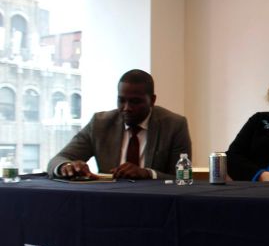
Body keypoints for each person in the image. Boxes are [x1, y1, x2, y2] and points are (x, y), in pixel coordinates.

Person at [47, 69, 192, 180]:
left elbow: (183, 178)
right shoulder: (100, 123)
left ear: (152, 100)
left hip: (156, 205)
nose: (126, 107)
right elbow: (57, 160)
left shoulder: (174, 125)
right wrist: (66, 167)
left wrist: (147, 173)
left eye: (135, 101)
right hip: (109, 202)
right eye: (121, 100)